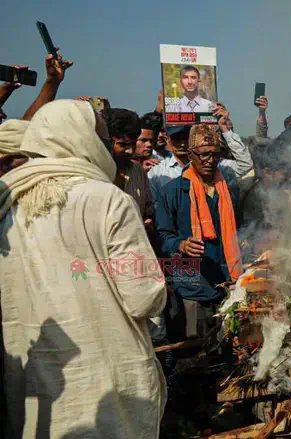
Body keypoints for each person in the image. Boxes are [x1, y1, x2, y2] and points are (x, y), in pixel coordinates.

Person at [0, 99, 166, 437]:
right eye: (101, 137)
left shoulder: (6, 204)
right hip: (108, 386)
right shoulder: (108, 199)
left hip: (36, 394)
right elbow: (142, 298)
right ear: (81, 138)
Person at [155, 124, 242, 340]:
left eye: (214, 155)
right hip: (191, 281)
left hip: (226, 279)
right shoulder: (172, 190)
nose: (209, 161)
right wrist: (181, 245)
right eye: (203, 155)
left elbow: (239, 227)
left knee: (228, 343)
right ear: (191, 155)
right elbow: (163, 236)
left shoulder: (228, 188)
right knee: (194, 345)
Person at [148, 104, 252, 208]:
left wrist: (225, 129)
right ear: (167, 138)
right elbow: (153, 206)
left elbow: (245, 164)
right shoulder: (158, 172)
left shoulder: (213, 165)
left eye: (186, 138)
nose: (183, 143)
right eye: (177, 138)